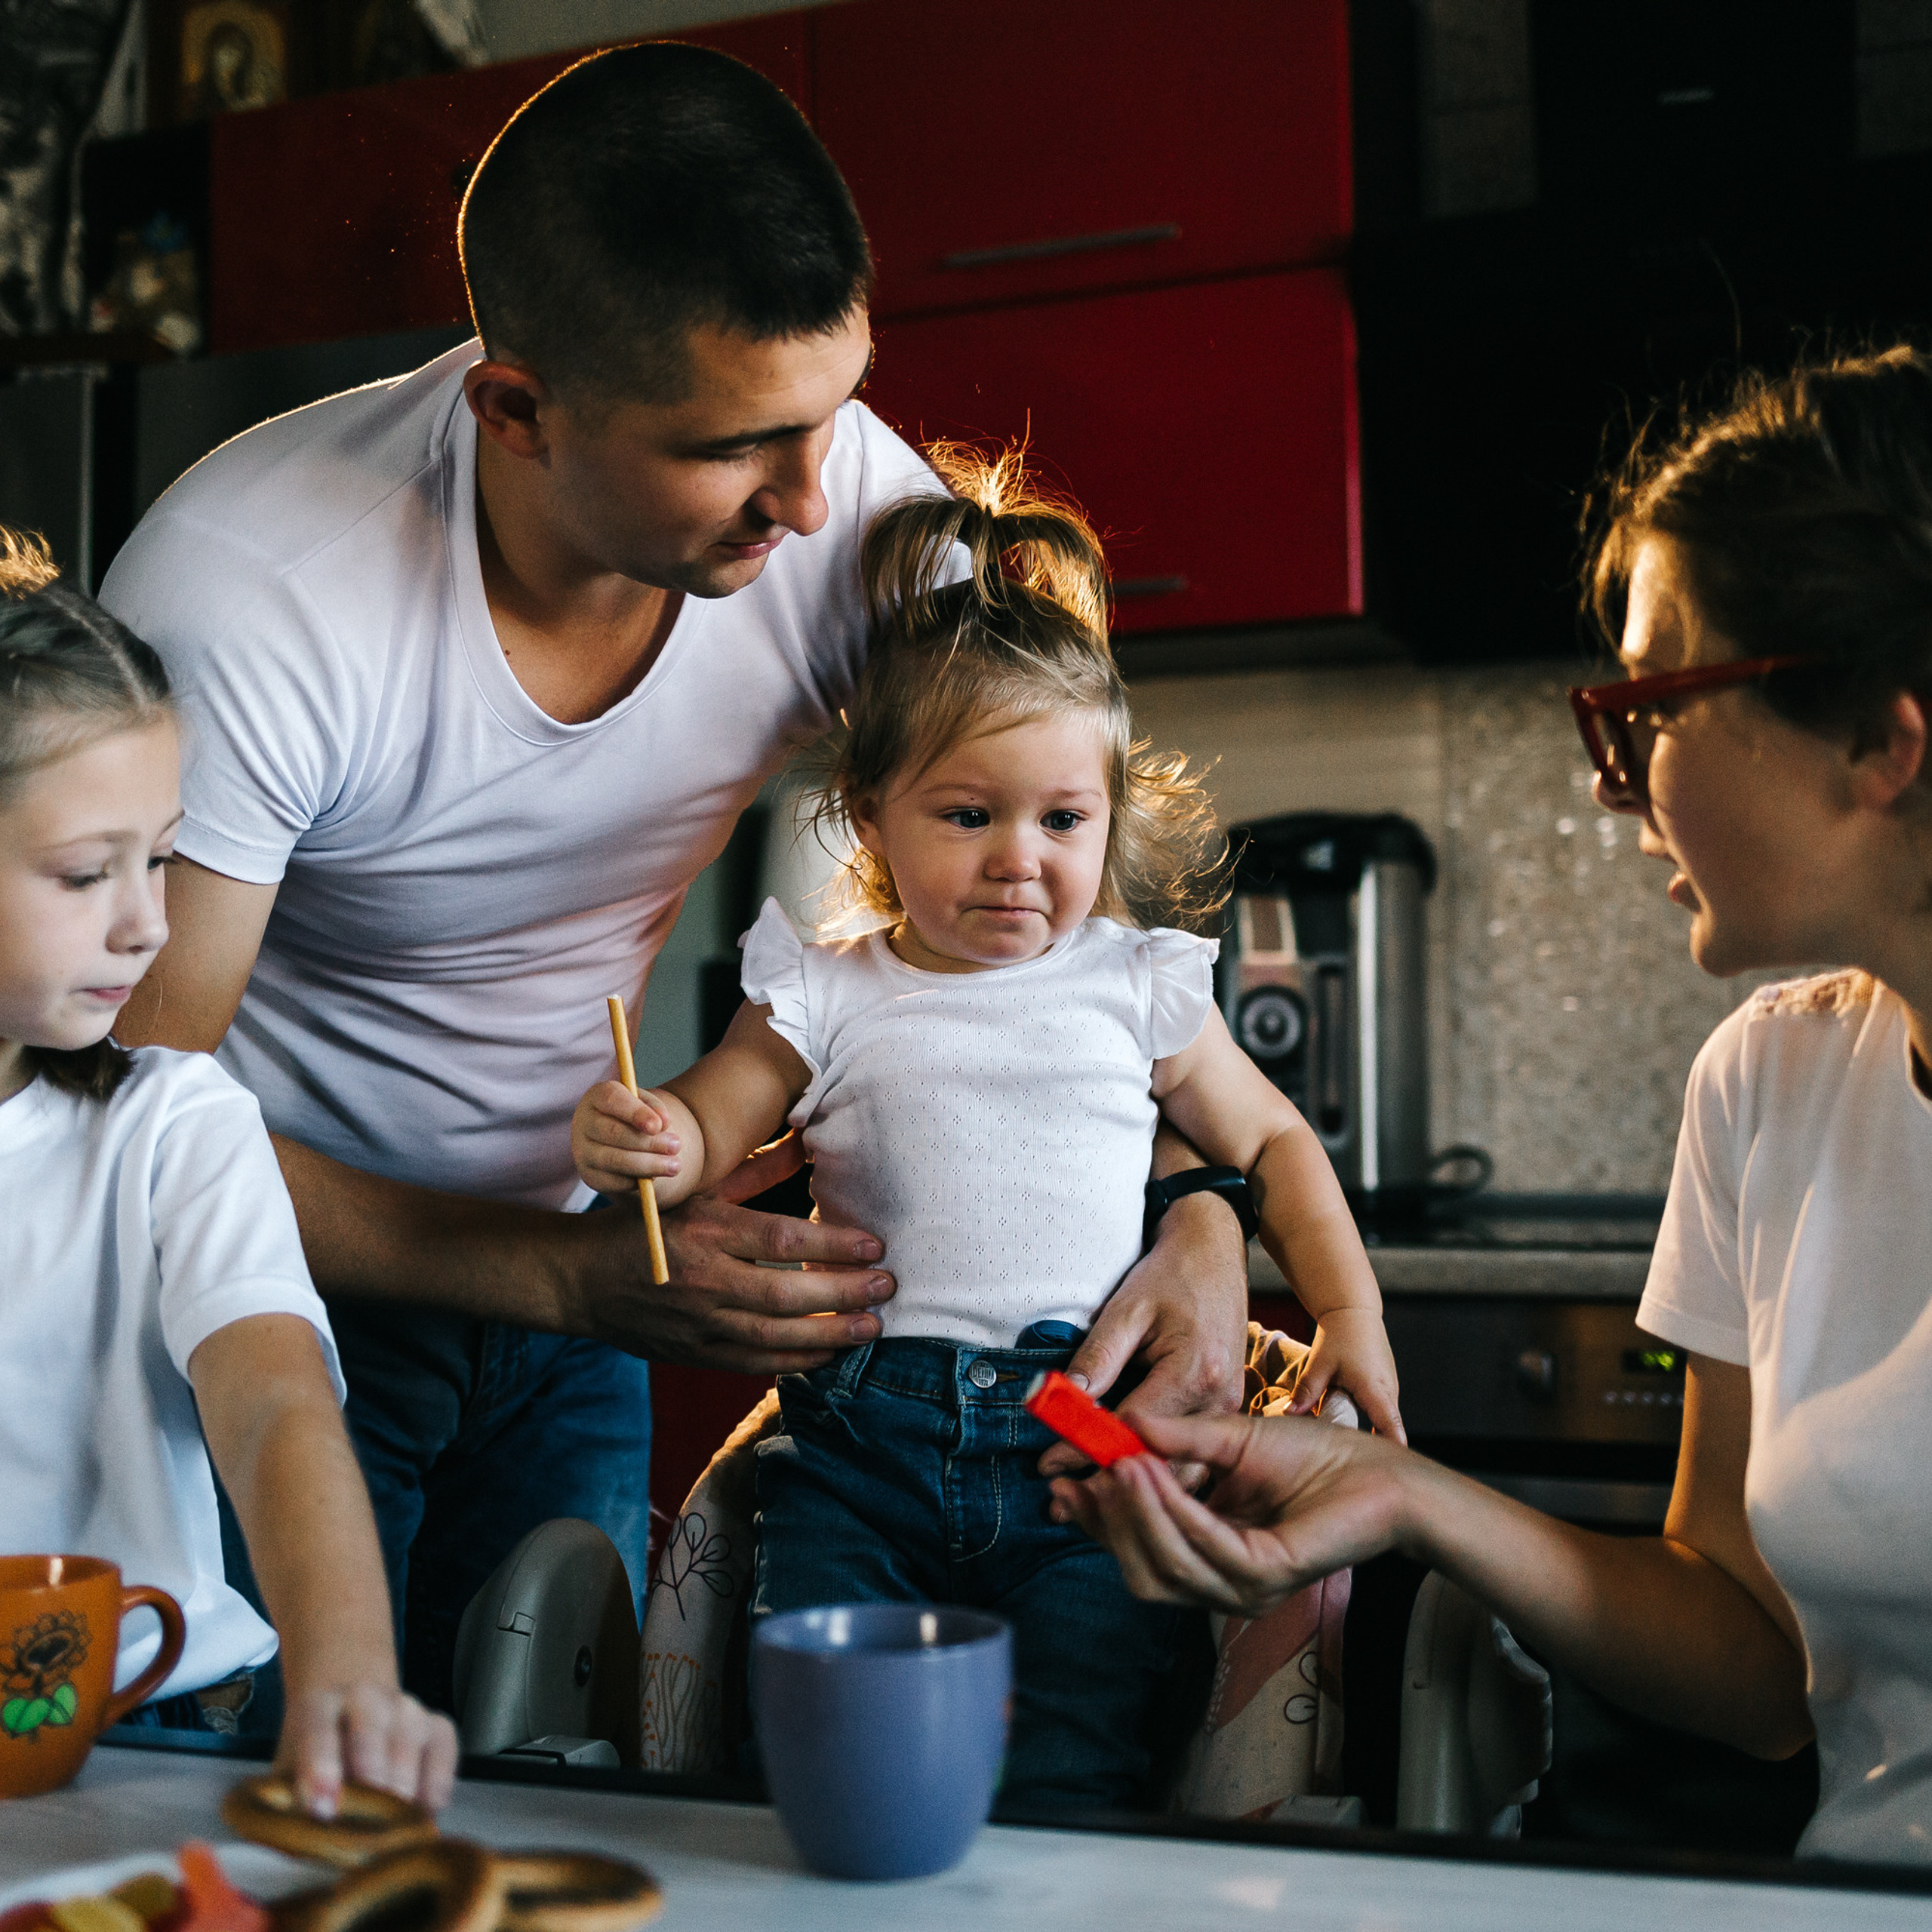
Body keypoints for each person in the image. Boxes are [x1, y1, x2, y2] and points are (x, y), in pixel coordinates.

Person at [101, 42, 1249, 1712]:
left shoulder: (852, 513)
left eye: (833, 408)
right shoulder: (257, 596)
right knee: (285, 1807)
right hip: (275, 1297)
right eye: (734, 447)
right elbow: (122, 1112)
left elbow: (1039, 881)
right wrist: (561, 1271)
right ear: (516, 409)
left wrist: (1193, 1211)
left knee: (553, 1801)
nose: (810, 496)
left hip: (584, 1296)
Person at [1051, 345, 1932, 1862]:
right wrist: (1398, 1494)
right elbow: (1754, 1672)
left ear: (1877, 742)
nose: (1613, 782)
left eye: (1649, 705)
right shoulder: (1766, 1081)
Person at [570, 452, 1401, 1805]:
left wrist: (1350, 1319)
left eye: (1064, 818)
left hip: (1087, 1444)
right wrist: (655, 1135)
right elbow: (718, 1117)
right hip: (852, 1458)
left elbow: (1278, 1148)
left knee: (1077, 1767)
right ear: (868, 818)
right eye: (969, 816)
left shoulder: (1135, 984)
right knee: (833, 1770)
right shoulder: (823, 990)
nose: (1023, 857)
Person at [0, 531, 455, 1812]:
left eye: (163, 857)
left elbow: (271, 1406)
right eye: (89, 872)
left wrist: (349, 1672)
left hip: (158, 1738)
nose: (149, 920)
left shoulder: (175, 1128)